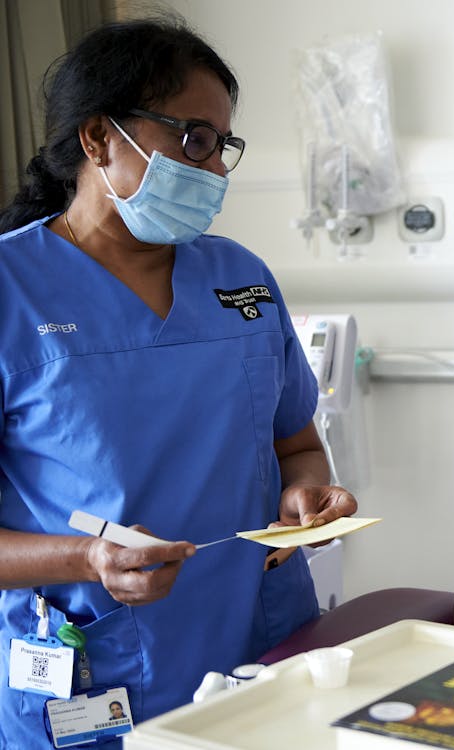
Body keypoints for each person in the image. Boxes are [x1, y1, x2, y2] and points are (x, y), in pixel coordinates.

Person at [0, 18, 356, 748]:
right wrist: (89, 561)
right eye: (193, 140)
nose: (216, 170)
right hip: (98, 671)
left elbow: (297, 445)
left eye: (222, 146)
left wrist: (307, 494)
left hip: (264, 651)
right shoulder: (12, 291)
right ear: (98, 139)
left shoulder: (240, 281)